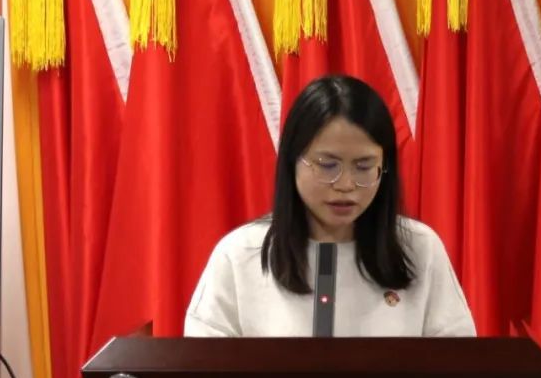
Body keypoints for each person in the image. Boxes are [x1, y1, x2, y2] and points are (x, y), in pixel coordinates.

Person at [184, 75, 475, 337]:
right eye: (327, 165)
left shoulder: (420, 248)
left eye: (364, 166)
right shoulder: (239, 254)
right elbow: (204, 367)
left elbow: (458, 364)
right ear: (292, 161)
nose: (345, 184)